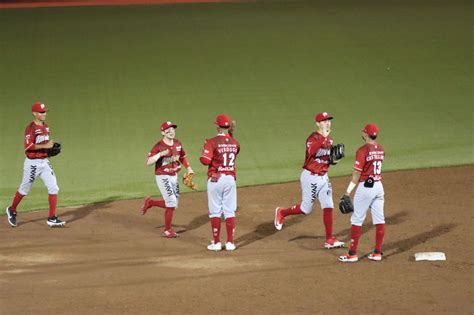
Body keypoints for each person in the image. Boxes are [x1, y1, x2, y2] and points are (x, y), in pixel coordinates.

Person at [274, 112, 344, 249]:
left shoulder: (330, 140)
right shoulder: (313, 138)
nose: (327, 123)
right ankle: (282, 212)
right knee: (306, 209)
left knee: (328, 205)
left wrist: (334, 160)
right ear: (318, 123)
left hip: (324, 177)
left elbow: (326, 159)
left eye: (328, 120)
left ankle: (330, 239)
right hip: (310, 177)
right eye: (324, 121)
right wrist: (323, 138)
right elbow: (312, 152)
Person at [5, 102, 65, 227]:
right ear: (34, 113)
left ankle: (52, 217)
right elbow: (28, 147)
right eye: (41, 112)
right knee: (24, 189)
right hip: (32, 164)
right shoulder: (30, 128)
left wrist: (51, 148)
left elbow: (45, 143)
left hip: (44, 162)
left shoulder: (46, 126)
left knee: (53, 187)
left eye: (45, 112)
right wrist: (45, 146)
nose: (44, 114)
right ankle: (12, 210)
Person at [338, 124, 385, 262]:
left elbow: (357, 173)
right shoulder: (381, 149)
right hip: (378, 186)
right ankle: (377, 252)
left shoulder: (362, 150)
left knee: (357, 220)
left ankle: (352, 254)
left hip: (366, 188)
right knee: (379, 219)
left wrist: (347, 192)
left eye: (364, 132)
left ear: (366, 134)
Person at [141, 121, 194, 238]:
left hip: (174, 176)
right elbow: (148, 162)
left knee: (174, 205)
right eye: (168, 130)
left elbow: (183, 157)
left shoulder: (178, 143)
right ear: (162, 132)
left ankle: (150, 202)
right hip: (162, 176)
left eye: (173, 129)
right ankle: (167, 230)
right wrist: (160, 154)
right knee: (171, 202)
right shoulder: (158, 146)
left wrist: (189, 168)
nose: (171, 132)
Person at [200, 114, 240, 251]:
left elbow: (205, 160)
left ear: (217, 126)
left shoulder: (211, 142)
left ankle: (216, 243)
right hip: (230, 179)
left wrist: (203, 150)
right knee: (230, 211)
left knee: (215, 211)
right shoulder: (235, 142)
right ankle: (230, 243)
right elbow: (232, 149)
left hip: (215, 179)